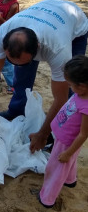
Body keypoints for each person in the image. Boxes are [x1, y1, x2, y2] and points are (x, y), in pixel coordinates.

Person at [0, 0, 88, 153]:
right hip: (46, 15)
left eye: (23, 61)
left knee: (73, 86)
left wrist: (42, 134)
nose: (17, 65)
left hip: (75, 24)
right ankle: (17, 110)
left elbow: (60, 97)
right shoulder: (3, 33)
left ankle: (62, 128)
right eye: (13, 62)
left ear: (37, 49)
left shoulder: (57, 48)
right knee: (21, 78)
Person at [38, 55, 88, 208]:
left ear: (82, 86)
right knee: (68, 165)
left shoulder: (86, 106)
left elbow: (84, 134)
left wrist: (68, 152)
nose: (68, 87)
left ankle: (47, 198)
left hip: (67, 143)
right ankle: (70, 180)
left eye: (70, 85)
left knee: (55, 169)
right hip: (63, 136)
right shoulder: (81, 93)